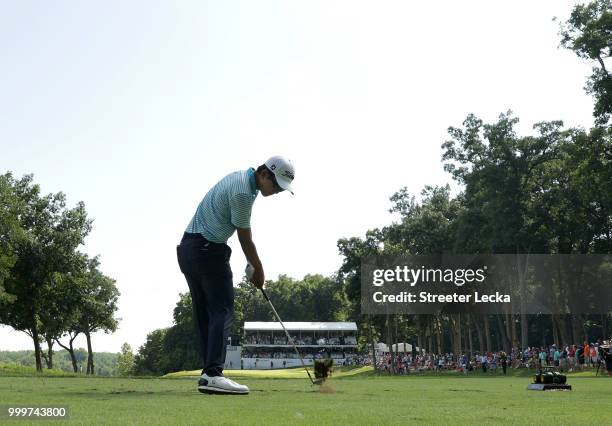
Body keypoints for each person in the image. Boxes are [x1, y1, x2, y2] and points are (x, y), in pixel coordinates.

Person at [176, 156, 295, 395]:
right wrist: (258, 269)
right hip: (207, 250)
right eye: (277, 186)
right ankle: (213, 374)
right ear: (264, 174)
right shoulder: (243, 192)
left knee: (206, 315)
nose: (277, 193)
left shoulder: (241, 178)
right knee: (222, 311)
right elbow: (244, 237)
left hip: (189, 249)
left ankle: (208, 373)